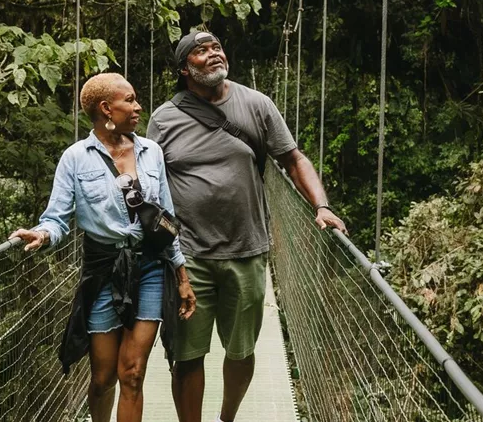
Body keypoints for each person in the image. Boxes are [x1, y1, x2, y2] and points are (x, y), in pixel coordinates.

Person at [149, 31, 347, 422]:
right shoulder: (164, 118)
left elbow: (293, 159)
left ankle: (227, 419)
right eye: (201, 52)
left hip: (248, 250)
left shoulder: (257, 104)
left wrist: (321, 206)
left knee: (241, 351)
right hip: (187, 257)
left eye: (217, 48)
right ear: (185, 68)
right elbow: (149, 180)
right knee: (187, 355)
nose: (213, 55)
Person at [11, 72, 196, 422]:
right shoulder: (76, 158)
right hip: (104, 271)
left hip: (151, 268)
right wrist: (44, 234)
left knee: (133, 373)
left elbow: (166, 221)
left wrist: (182, 275)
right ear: (106, 108)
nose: (139, 106)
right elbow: (57, 217)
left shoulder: (151, 152)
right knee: (103, 377)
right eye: (130, 99)